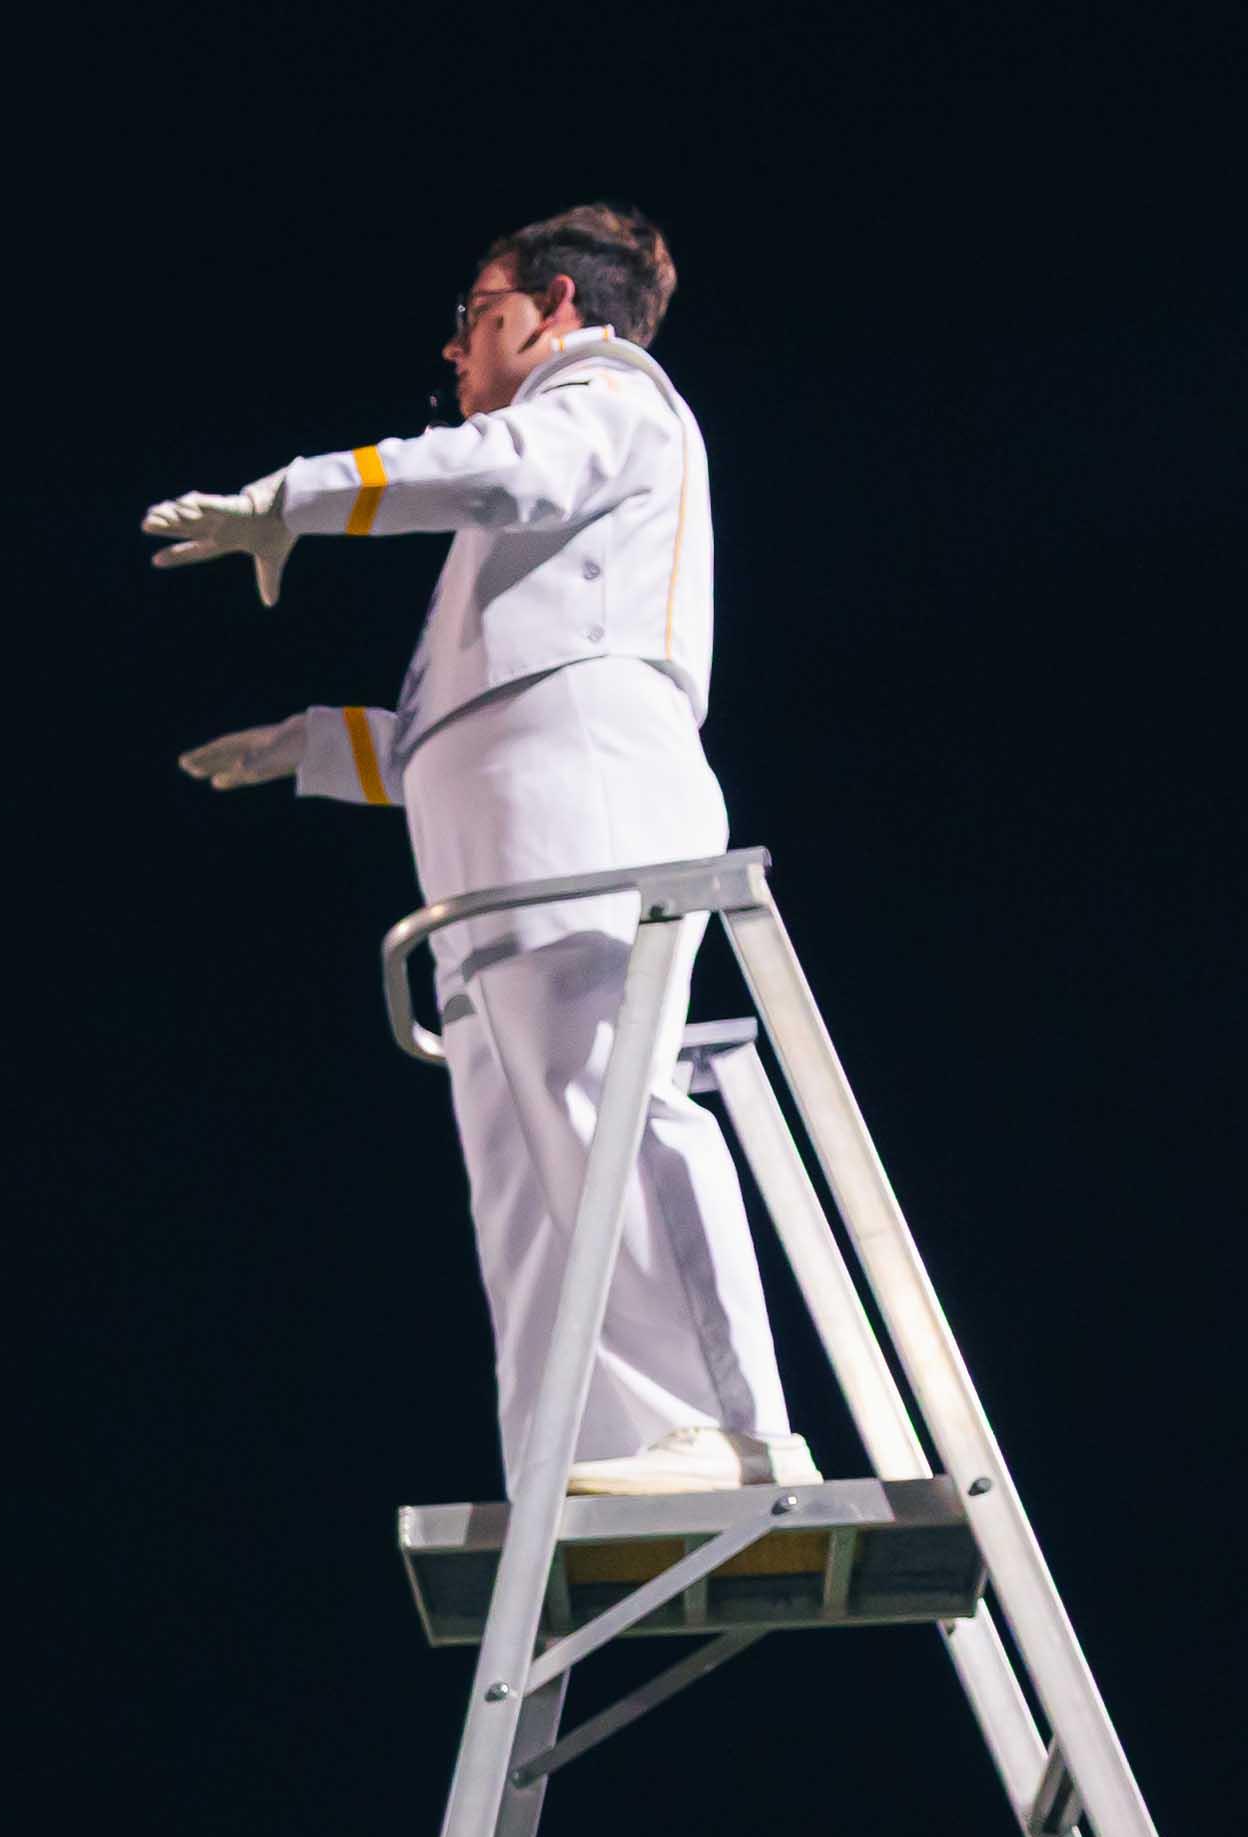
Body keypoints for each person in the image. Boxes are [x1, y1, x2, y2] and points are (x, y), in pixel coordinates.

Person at [146, 204, 802, 1503]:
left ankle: (728, 1428)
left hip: (594, 778)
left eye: (470, 315)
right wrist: (318, 748)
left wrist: (299, 495)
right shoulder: (523, 506)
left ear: (552, 304)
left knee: (603, 1091)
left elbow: (507, 484)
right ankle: (590, 1450)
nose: (452, 352)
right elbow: (477, 721)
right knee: (518, 1151)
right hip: (500, 810)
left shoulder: (608, 395)